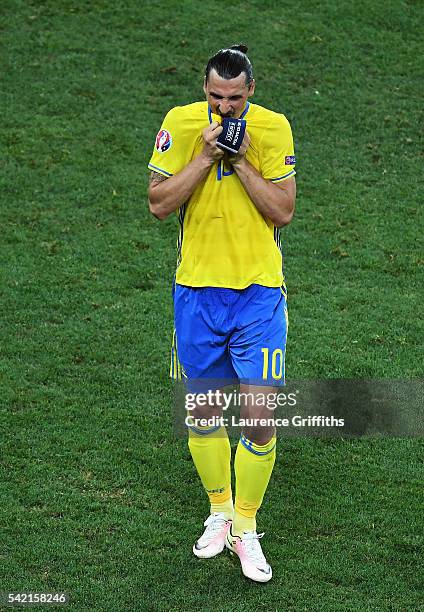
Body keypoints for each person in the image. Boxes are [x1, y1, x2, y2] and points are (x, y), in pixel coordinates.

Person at [147, 45, 296, 583]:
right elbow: (159, 204)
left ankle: (246, 527)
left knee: (260, 416)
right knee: (205, 414)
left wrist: (241, 159)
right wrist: (206, 157)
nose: (224, 108)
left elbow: (283, 210)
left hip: (259, 295)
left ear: (250, 91)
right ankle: (218, 511)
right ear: (203, 89)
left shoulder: (274, 129)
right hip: (197, 296)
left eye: (234, 98)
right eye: (215, 96)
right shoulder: (181, 123)